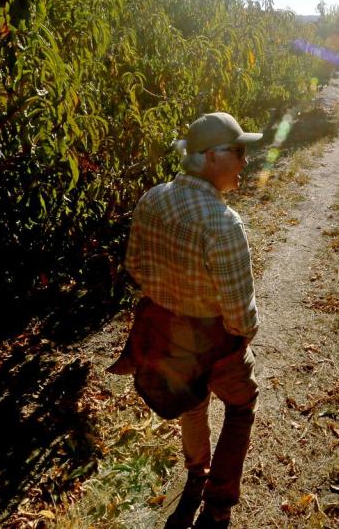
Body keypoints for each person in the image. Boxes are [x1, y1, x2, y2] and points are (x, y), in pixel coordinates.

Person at [122, 112, 262, 529]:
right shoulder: (223, 223)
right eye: (238, 151)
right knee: (240, 406)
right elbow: (241, 318)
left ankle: (196, 472)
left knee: (193, 404)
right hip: (214, 340)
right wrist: (240, 334)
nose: (245, 161)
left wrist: (171, 297)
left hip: (168, 334)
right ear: (210, 158)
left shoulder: (152, 198)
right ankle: (218, 503)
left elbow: (135, 266)